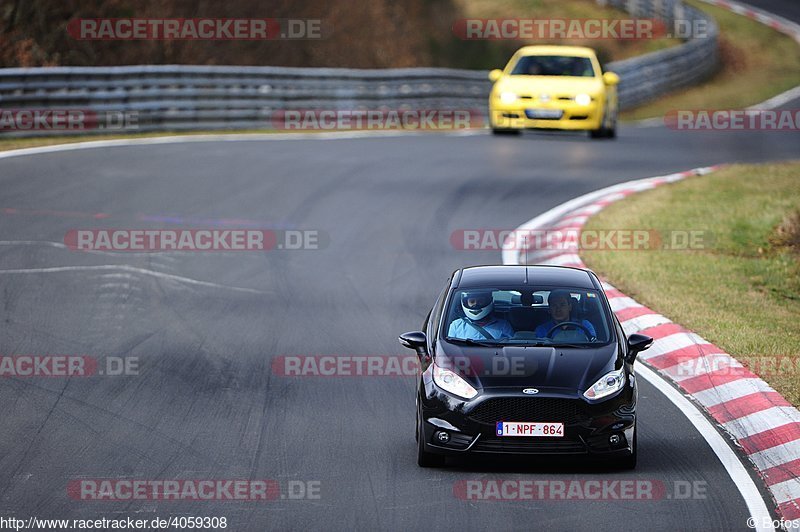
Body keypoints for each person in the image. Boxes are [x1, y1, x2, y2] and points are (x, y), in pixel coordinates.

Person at [448, 290, 515, 341]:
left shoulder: (503, 325)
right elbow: (450, 348)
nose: (476, 304)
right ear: (465, 302)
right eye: (472, 302)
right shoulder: (456, 325)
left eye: (480, 301)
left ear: (488, 301)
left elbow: (510, 348)